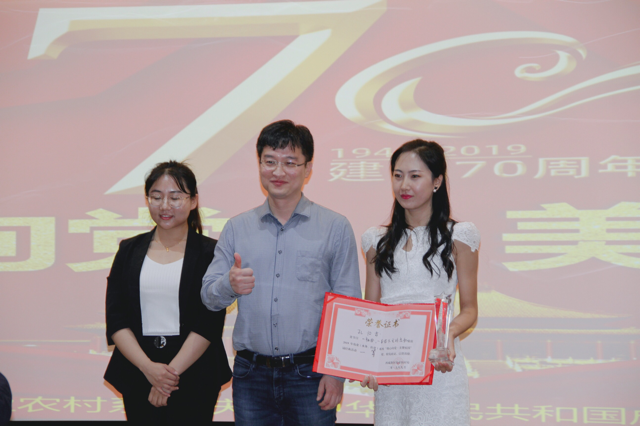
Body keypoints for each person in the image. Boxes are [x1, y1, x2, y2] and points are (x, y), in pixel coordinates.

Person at [201, 119, 361, 425]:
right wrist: (228, 284)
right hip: (251, 375)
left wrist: (336, 373)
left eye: (289, 162)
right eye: (270, 161)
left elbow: (348, 303)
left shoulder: (334, 227)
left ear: (307, 168)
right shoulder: (237, 227)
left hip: (311, 374)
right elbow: (208, 297)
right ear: (259, 164)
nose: (278, 171)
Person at [360, 140, 479, 426]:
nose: (404, 185)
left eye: (415, 176)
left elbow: (470, 310)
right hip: (392, 373)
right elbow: (370, 310)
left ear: (437, 181)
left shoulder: (460, 236)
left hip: (439, 368)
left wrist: (446, 335)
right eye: (398, 175)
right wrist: (366, 360)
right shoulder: (376, 240)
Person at [104, 161, 232, 424]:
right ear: (147, 200)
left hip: (195, 372)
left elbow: (209, 321)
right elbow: (116, 317)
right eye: (156, 197)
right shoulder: (128, 250)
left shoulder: (211, 252)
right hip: (138, 370)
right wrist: (149, 369)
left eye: (175, 197)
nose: (165, 206)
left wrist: (168, 376)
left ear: (193, 201)